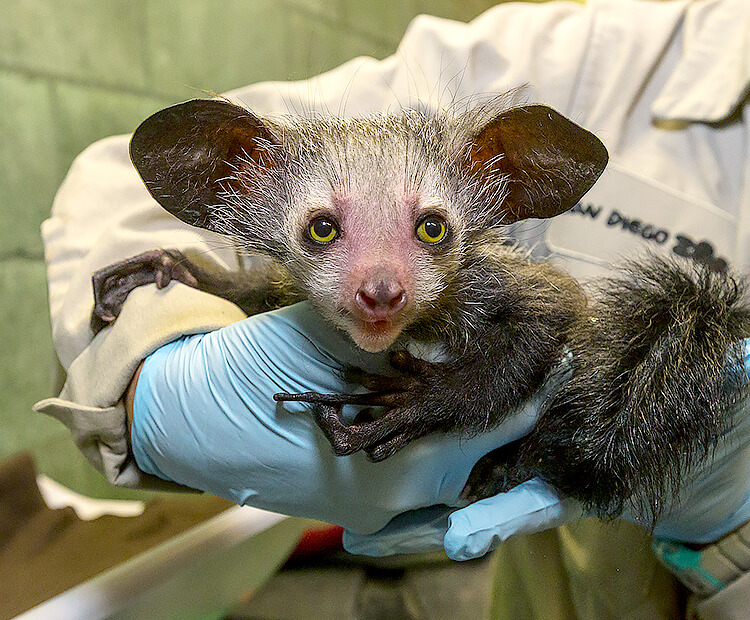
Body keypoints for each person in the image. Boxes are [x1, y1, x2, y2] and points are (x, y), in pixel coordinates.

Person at [35, 0, 750, 617]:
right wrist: (167, 344)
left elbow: (546, 318)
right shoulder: (620, 43)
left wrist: (444, 399)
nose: (381, 285)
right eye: (322, 229)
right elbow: (128, 195)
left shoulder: (486, 270)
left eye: (432, 229)